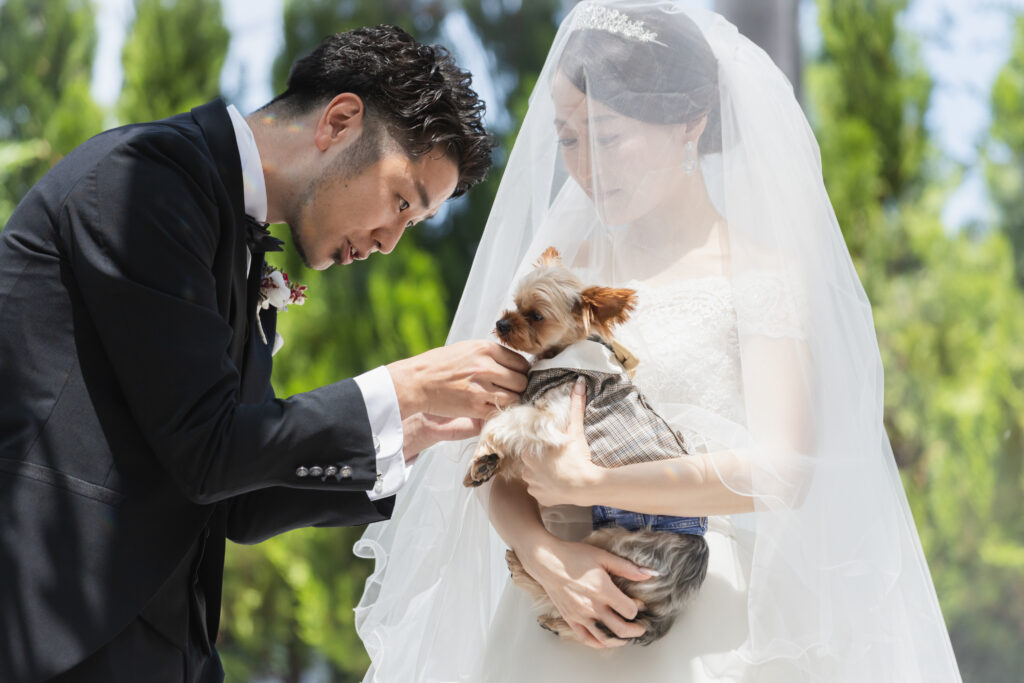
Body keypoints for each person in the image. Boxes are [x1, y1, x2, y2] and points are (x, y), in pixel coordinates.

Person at [354, 3, 963, 682]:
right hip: (552, 615)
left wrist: (596, 481)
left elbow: (781, 468)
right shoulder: (557, 271)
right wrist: (547, 557)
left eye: (608, 138)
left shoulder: (761, 275)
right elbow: (497, 455)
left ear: (689, 124)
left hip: (700, 620)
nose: (586, 166)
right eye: (567, 138)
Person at [0, 24, 530, 682]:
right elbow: (208, 450)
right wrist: (406, 386)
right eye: (400, 200)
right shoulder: (142, 183)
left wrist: (411, 437)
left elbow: (237, 500)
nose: (391, 241)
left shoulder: (241, 240)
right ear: (338, 120)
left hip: (173, 656)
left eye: (412, 224)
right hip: (55, 635)